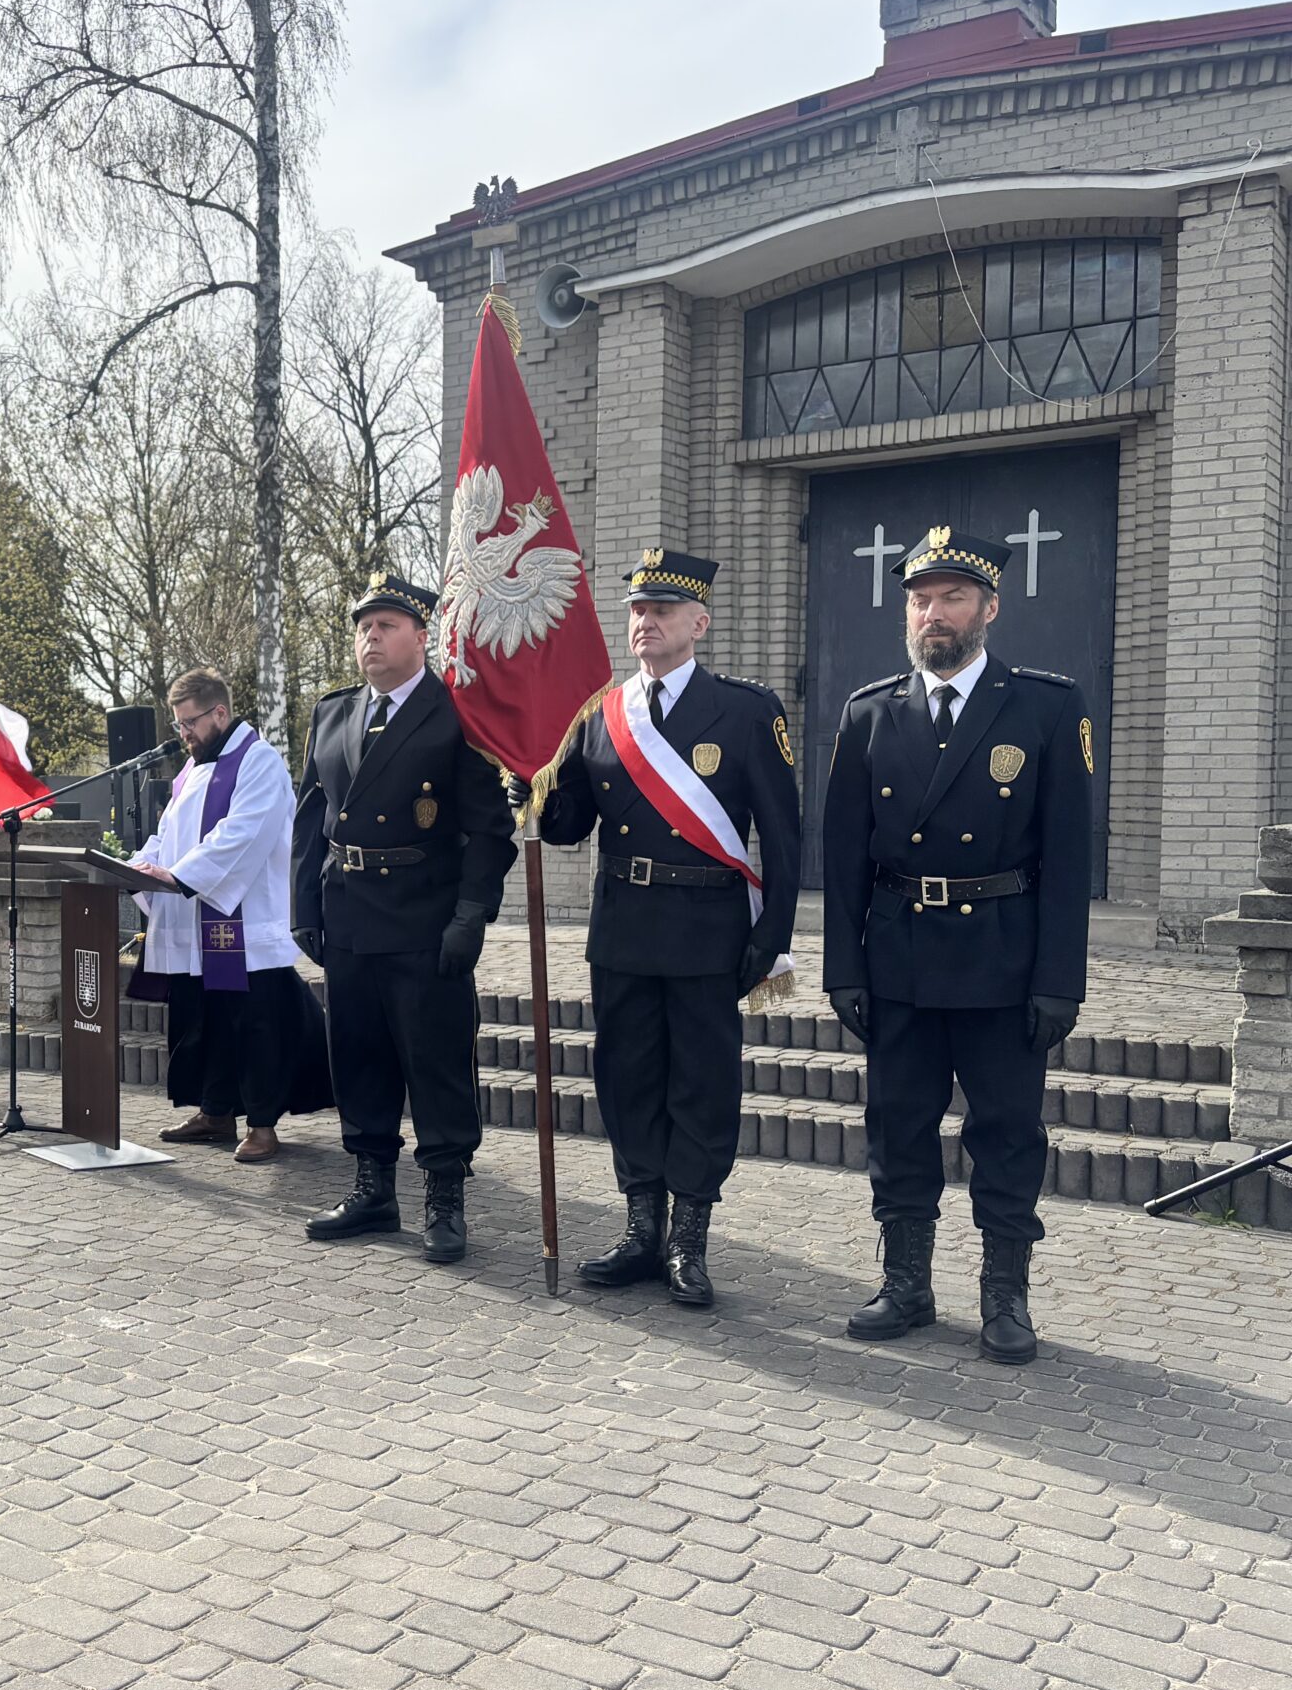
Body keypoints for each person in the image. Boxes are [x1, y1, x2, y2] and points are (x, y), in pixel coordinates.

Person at [821, 526, 1092, 1365]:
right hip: (899, 956)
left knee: (1006, 1132)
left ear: (989, 609)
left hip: (1003, 959)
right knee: (898, 1126)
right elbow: (842, 857)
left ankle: (1004, 1296)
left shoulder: (1045, 707)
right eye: (919, 599)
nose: (933, 613)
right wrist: (843, 967)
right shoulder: (870, 712)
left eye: (952, 597)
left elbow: (1070, 857)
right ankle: (906, 1283)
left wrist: (1060, 979)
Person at [512, 548, 799, 1307]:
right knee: (629, 1080)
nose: (646, 621)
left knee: (702, 1086)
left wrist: (770, 937)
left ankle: (688, 1242)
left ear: (698, 623)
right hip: (625, 928)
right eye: (638, 610)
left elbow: (783, 834)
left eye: (663, 610)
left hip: (708, 930)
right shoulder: (601, 715)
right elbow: (572, 824)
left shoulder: (747, 710)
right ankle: (642, 1230)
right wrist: (535, 784)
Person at [293, 571, 520, 1262]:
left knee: (436, 1061)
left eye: (387, 625)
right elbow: (310, 817)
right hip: (349, 912)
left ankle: (445, 1198)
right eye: (364, 626)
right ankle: (373, 1189)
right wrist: (304, 906)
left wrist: (472, 916)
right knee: (359, 1056)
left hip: (424, 916)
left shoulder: (456, 713)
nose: (371, 637)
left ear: (422, 636)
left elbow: (490, 830)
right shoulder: (334, 713)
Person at [129, 668, 331, 1163]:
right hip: (194, 924)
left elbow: (243, 833)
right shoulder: (191, 771)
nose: (183, 733)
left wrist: (179, 876)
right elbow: (166, 835)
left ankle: (262, 1125)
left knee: (254, 1027)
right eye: (178, 725)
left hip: (244, 925)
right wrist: (138, 867)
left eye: (189, 723)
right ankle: (215, 1113)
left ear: (220, 712)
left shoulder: (259, 762)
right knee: (207, 1023)